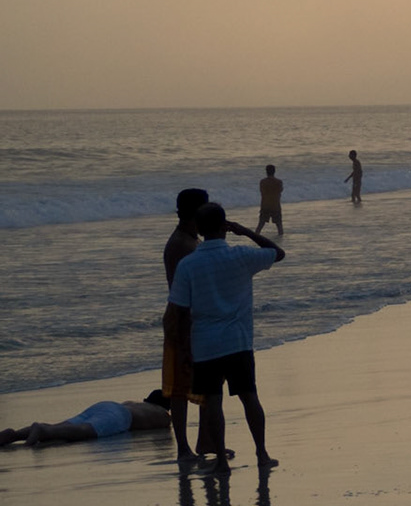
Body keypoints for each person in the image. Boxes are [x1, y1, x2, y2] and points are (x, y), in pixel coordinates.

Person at [166, 202, 285, 469]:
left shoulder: (188, 264)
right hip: (238, 341)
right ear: (225, 227)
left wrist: (183, 346)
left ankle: (220, 459)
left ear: (199, 228)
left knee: (213, 403)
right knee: (249, 397)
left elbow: (180, 310)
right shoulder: (241, 256)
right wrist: (246, 232)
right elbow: (277, 253)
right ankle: (262, 454)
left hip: (205, 344)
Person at [164, 188, 210, 461]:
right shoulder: (182, 244)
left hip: (194, 317)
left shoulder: (191, 239)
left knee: (205, 383)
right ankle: (183, 447)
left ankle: (205, 441)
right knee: (180, 386)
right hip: (182, 319)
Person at [3, 390, 174, 448]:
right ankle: (40, 430)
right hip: (120, 417)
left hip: (106, 405)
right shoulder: (163, 415)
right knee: (83, 431)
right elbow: (168, 425)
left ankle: (15, 434)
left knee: (64, 426)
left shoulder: (135, 403)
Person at [255, 165, 284, 236]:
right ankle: (280, 240)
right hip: (275, 206)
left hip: (265, 206)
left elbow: (262, 192)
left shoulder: (262, 182)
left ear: (266, 172)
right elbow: (280, 191)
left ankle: (255, 238)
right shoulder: (279, 182)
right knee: (279, 226)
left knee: (260, 225)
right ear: (274, 171)